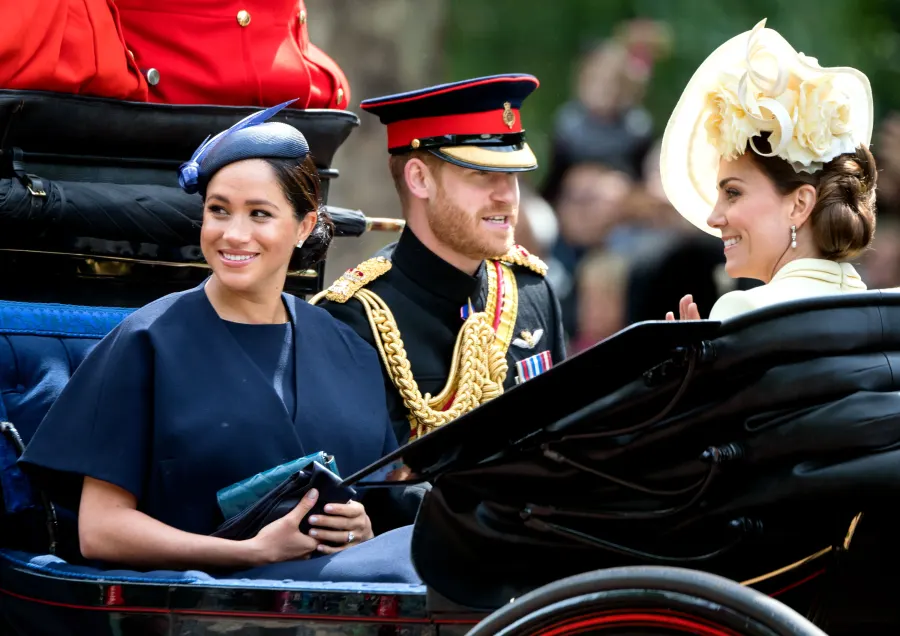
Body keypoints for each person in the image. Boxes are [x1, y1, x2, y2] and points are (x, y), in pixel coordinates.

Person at [18, 102, 415, 580]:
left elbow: (377, 504)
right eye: (218, 211)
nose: (234, 234)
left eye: (260, 214)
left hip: (338, 599)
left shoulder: (349, 351)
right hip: (199, 599)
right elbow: (101, 531)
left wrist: (361, 530)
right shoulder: (146, 341)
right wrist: (249, 552)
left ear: (304, 226)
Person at [311, 74, 567, 445]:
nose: (507, 196)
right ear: (419, 179)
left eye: (512, 174)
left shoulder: (532, 291)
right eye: (482, 174)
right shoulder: (354, 320)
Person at [660, 19, 877, 322]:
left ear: (799, 204)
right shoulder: (879, 311)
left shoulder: (743, 309)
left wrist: (704, 355)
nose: (713, 218)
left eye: (733, 192)